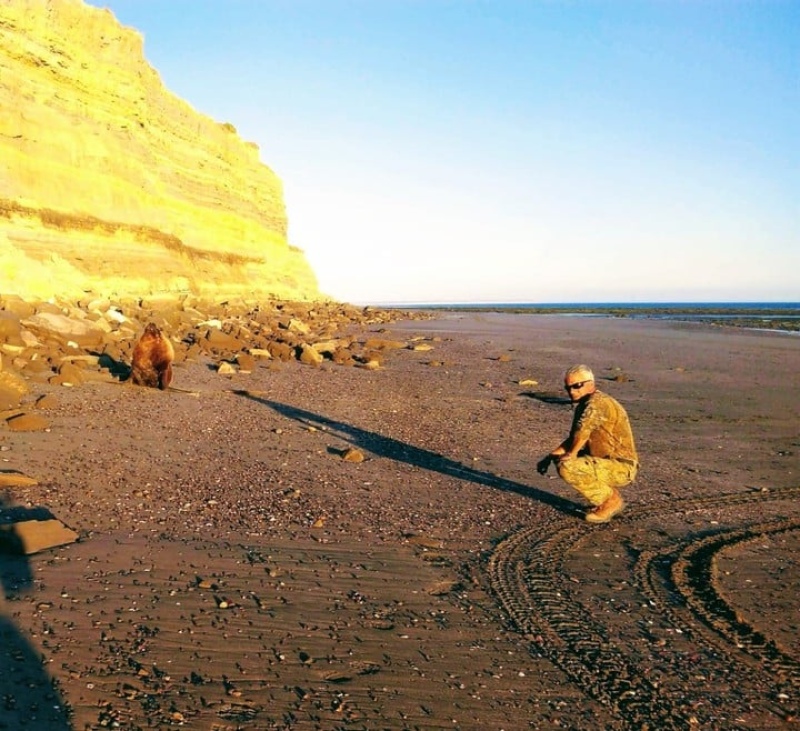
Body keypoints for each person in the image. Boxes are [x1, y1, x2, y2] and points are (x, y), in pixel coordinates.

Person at [537, 364, 638, 523]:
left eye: (577, 386)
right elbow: (574, 439)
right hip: (604, 461)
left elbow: (582, 433)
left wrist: (571, 454)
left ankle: (610, 501)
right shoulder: (586, 404)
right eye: (568, 387)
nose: (572, 391)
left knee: (567, 466)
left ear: (591, 383)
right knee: (563, 459)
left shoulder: (597, 404)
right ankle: (607, 498)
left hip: (620, 466)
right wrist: (550, 457)